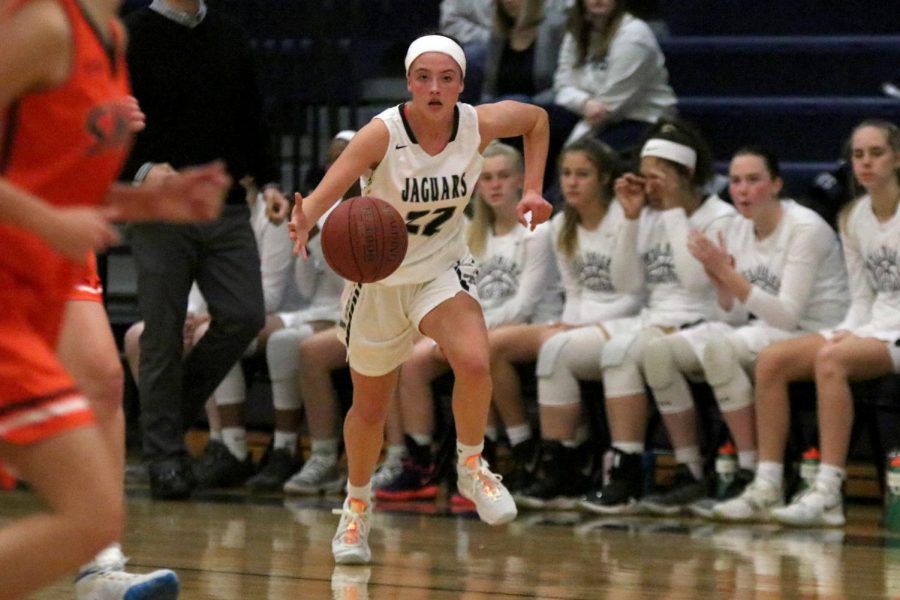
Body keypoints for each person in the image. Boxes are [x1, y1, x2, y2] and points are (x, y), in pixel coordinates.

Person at [289, 33, 552, 565]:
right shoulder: (382, 134)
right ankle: (356, 508)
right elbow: (328, 190)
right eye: (424, 78)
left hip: (440, 267)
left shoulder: (479, 124)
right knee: (370, 406)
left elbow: (538, 121)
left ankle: (472, 466)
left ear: (460, 84)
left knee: (476, 360)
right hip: (379, 281)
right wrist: (306, 217)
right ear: (409, 83)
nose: (435, 88)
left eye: (447, 78)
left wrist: (533, 187)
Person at [0, 0, 228, 597]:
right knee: (83, 509)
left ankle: (100, 569)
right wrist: (48, 218)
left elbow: (54, 168)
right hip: (18, 247)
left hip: (38, 254)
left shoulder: (109, 39)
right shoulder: (41, 25)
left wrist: (154, 203)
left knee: (102, 379)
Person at [122, 0, 290, 500]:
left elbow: (251, 117)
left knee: (243, 314)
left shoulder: (229, 35)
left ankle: (162, 418)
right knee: (163, 332)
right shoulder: (131, 34)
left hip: (226, 205)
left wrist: (270, 181)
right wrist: (141, 169)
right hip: (159, 208)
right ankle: (164, 459)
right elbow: (103, 120)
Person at [637, 147, 848, 516]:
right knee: (659, 353)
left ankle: (752, 474)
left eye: (754, 180)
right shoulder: (735, 227)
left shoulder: (805, 228)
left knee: (721, 349)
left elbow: (786, 315)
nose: (743, 190)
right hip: (766, 328)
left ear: (777, 184)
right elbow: (733, 313)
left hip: (815, 331)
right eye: (736, 181)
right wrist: (719, 277)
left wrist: (726, 272)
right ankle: (692, 470)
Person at [712, 119, 900, 527]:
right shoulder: (852, 216)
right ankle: (768, 483)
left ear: (897, 158)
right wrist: (852, 327)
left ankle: (829, 491)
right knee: (772, 360)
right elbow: (862, 294)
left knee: (831, 361)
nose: (865, 163)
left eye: (876, 153)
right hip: (873, 325)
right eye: (858, 155)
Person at [377, 141, 561, 502]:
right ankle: (420, 464)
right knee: (410, 358)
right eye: (487, 178)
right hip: (481, 329)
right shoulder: (470, 234)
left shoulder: (536, 232)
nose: (494, 185)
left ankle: (502, 455)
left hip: (534, 326)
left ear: (522, 182)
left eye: (504, 177)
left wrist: (465, 332)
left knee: (474, 353)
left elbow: (524, 305)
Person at [576, 118, 736, 515]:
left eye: (657, 177)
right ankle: (623, 467)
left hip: (706, 319)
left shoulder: (719, 216)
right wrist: (630, 219)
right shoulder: (646, 215)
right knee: (604, 352)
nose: (649, 187)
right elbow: (627, 284)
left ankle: (689, 468)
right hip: (656, 318)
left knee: (633, 350)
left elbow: (696, 284)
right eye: (645, 177)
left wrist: (676, 212)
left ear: (685, 174)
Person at [484, 137, 643, 509]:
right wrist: (571, 324)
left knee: (557, 348)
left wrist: (580, 327)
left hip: (626, 320)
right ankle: (558, 462)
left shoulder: (625, 218)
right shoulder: (560, 226)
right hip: (580, 323)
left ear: (603, 179)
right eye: (567, 174)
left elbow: (636, 294)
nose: (571, 182)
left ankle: (569, 459)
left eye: (582, 174)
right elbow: (575, 293)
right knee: (550, 347)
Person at [547, 0, 676, 188]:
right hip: (587, 111)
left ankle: (558, 204)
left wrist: (570, 151)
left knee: (589, 158)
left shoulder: (634, 35)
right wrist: (584, 103)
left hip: (641, 119)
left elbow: (608, 108)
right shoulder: (576, 32)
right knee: (538, 126)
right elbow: (561, 86)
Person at [480, 0, 568, 105]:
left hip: (544, 109)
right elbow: (489, 89)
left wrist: (525, 105)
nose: (508, 1)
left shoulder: (555, 28)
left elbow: (563, 86)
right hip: (501, 112)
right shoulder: (498, 34)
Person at [440, 0, 494, 103]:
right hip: (480, 46)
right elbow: (451, 25)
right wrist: (492, 38)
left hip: (526, 41)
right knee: (471, 56)